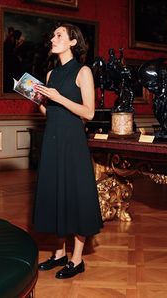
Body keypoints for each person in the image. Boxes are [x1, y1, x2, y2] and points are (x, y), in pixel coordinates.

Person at [33, 23, 103, 279]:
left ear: (73, 42)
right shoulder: (51, 75)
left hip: (72, 143)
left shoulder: (84, 71)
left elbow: (89, 112)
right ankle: (60, 252)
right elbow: (49, 111)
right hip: (52, 140)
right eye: (53, 35)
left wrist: (58, 97)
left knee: (75, 195)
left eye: (59, 35)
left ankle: (77, 259)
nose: (53, 38)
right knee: (56, 193)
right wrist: (38, 98)